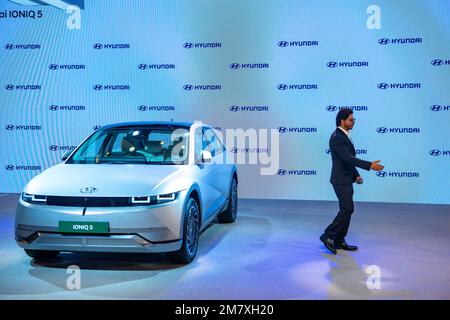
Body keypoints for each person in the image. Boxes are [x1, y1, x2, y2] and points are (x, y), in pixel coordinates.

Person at [320, 108, 384, 254]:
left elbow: (347, 161)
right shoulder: (337, 137)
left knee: (348, 209)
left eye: (353, 119)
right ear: (342, 121)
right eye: (350, 119)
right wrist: (370, 165)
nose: (353, 121)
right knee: (347, 208)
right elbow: (348, 158)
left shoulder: (344, 135)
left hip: (346, 178)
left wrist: (356, 175)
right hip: (340, 179)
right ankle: (328, 235)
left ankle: (339, 240)